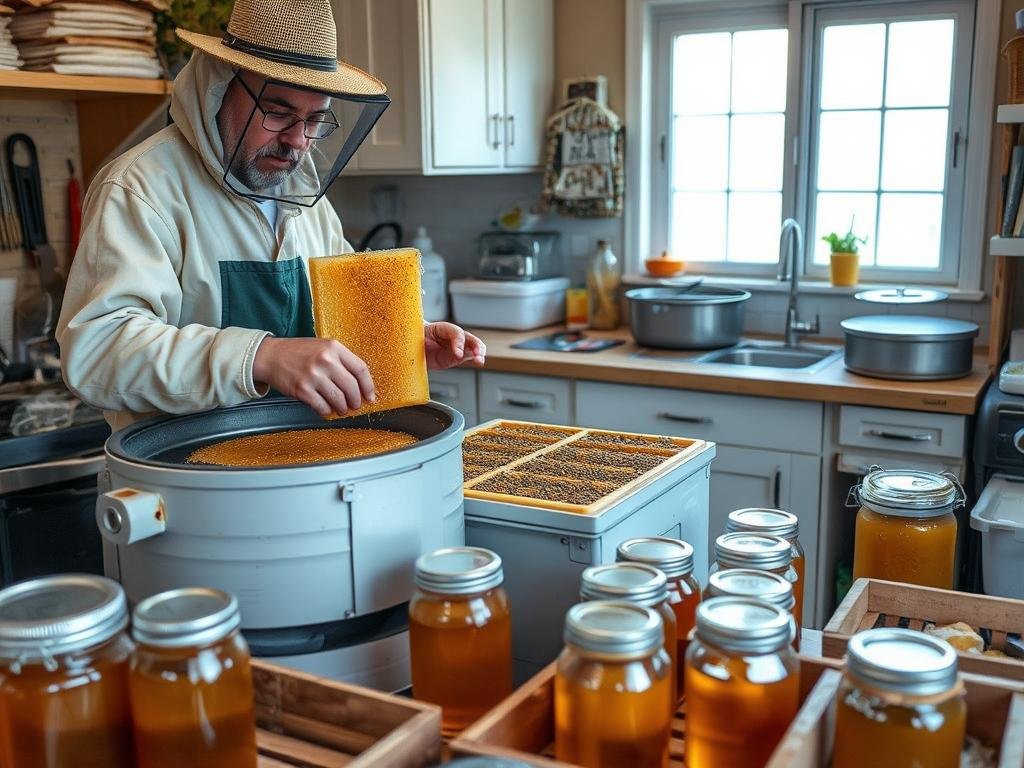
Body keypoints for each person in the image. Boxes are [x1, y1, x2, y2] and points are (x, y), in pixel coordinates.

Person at [56, 0, 484, 431]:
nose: (298, 141)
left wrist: (404, 342)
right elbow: (97, 352)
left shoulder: (305, 200)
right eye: (278, 113)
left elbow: (338, 330)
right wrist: (262, 356)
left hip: (300, 470)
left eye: (315, 119)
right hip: (187, 484)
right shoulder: (141, 187)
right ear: (218, 88)